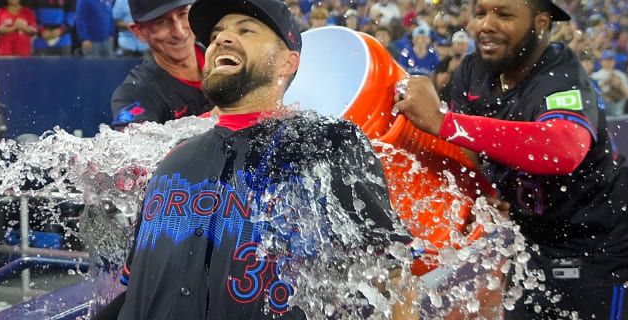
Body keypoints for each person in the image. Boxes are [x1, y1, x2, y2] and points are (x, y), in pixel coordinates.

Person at [95, 0, 409, 318]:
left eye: (246, 30)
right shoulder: (172, 159)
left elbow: (391, 276)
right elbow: (135, 291)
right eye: (216, 34)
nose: (222, 39)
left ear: (288, 63)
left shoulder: (328, 143)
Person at [393, 0, 628, 319]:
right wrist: (489, 191)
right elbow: (469, 153)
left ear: (541, 23)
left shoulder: (561, 72)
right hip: (537, 235)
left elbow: (562, 149)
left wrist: (443, 122)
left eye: (504, 14)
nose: (485, 24)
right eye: (480, 13)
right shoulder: (472, 69)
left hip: (606, 238)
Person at [109, 0, 214, 130]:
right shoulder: (135, 93)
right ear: (139, 32)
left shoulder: (228, 58)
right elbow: (132, 143)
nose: (179, 32)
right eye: (161, 22)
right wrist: (224, 115)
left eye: (183, 14)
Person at [591, 50, 628, 116]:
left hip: (620, 109)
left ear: (614, 61)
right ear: (601, 61)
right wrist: (606, 82)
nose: (609, 62)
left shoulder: (620, 75)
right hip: (602, 110)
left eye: (611, 59)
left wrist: (619, 85)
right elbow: (594, 94)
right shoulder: (595, 75)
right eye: (607, 59)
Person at [434, 30, 470, 103]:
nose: (460, 47)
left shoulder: (470, 63)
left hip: (465, 103)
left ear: (467, 46)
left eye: (462, 44)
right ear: (453, 45)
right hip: (447, 101)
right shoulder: (445, 62)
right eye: (457, 44)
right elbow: (439, 84)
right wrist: (449, 71)